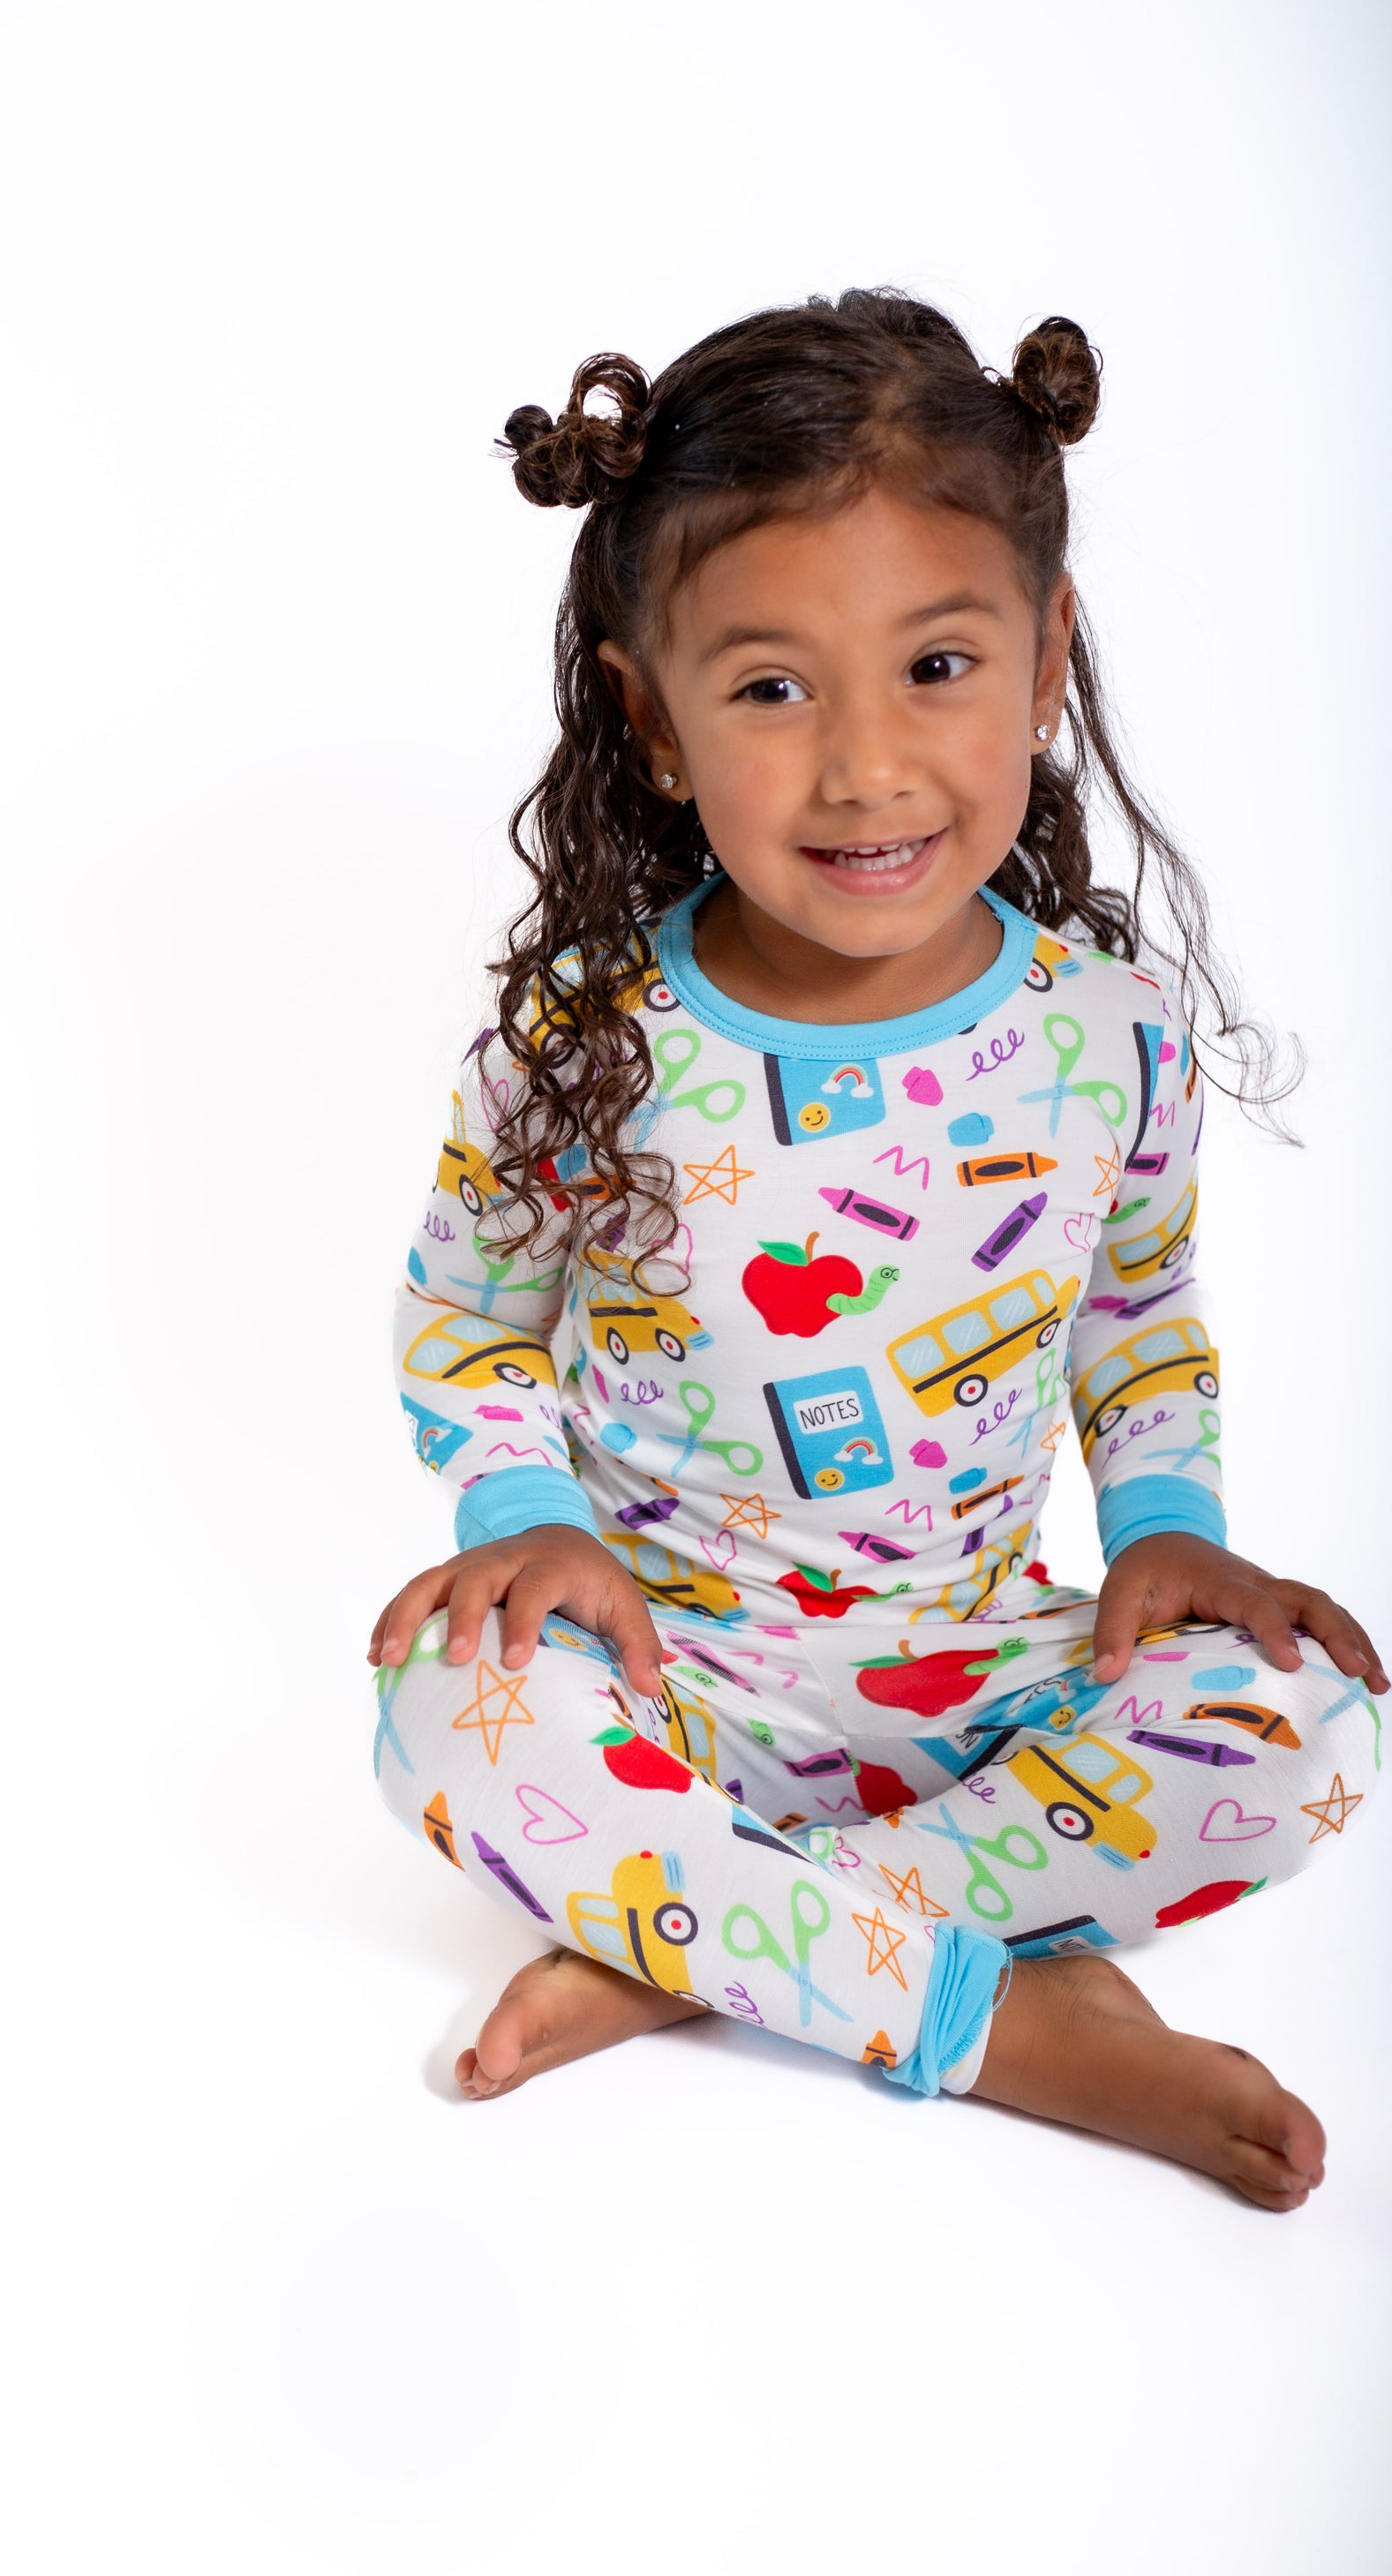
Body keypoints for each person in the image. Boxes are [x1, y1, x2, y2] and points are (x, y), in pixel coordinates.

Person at [367, 291, 1385, 2212]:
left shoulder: (1110, 1029)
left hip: (974, 1672)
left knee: (1311, 1722)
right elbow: (468, 1316)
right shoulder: (587, 1038)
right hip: (665, 1667)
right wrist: (518, 1509)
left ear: (1043, 656)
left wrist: (1166, 1518)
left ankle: (688, 1946)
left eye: (934, 662)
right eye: (768, 687)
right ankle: (999, 2022)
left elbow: (1139, 1307)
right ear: (652, 720)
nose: (862, 764)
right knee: (439, 1716)